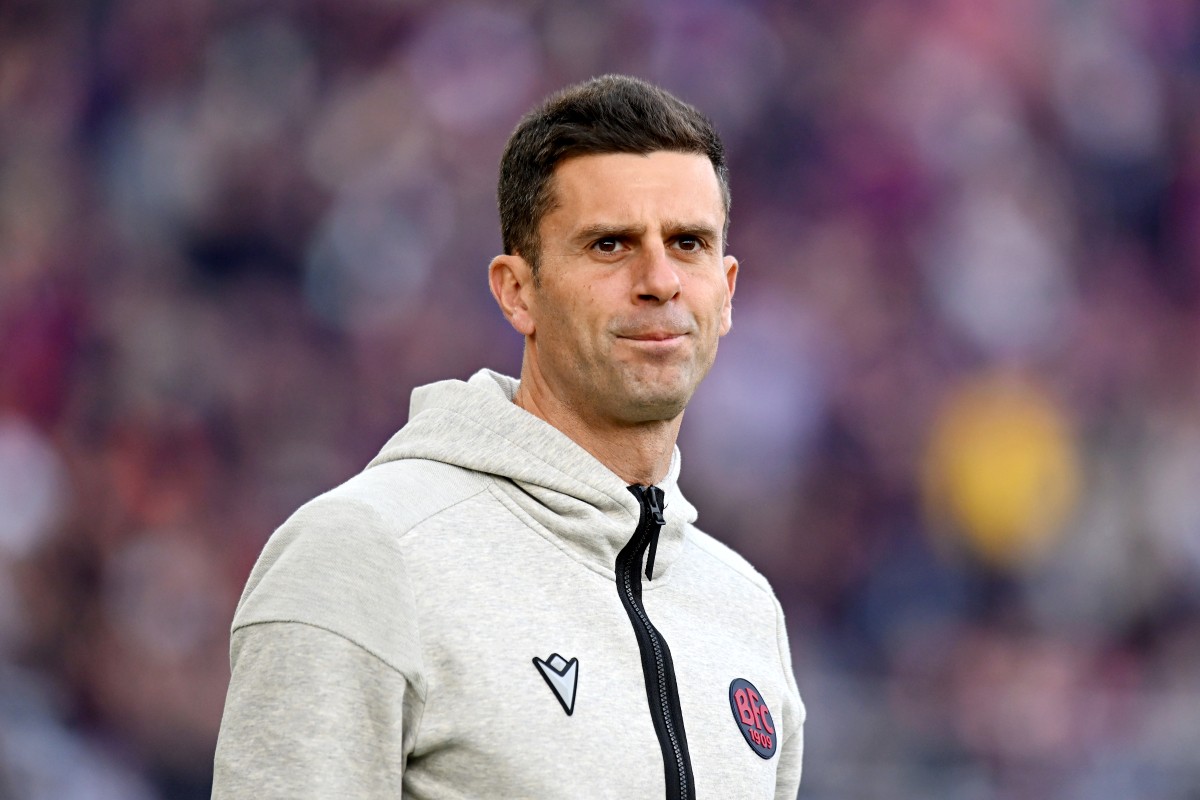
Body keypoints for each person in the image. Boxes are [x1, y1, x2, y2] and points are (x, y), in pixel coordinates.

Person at [211, 74, 804, 799]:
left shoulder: (743, 609)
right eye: (611, 244)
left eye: (688, 243)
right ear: (516, 291)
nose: (659, 280)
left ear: (728, 289)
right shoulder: (365, 552)